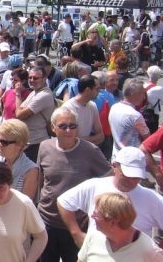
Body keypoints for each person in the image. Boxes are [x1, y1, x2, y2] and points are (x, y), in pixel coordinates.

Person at [37, 107, 111, 262]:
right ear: (53, 128)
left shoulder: (90, 151)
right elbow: (40, 178)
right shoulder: (45, 146)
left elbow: (109, 178)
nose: (68, 130)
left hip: (75, 225)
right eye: (63, 126)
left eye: (73, 126)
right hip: (46, 221)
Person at [57, 146, 163, 247]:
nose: (131, 181)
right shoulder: (95, 186)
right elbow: (64, 201)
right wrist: (77, 234)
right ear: (114, 166)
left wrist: (156, 251)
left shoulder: (152, 199)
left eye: (136, 177)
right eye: (127, 174)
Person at [78, 192, 163, 261]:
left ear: (112, 222)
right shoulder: (93, 235)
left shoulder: (149, 250)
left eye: (96, 215)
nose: (92, 216)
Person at [15, 66, 56, 162]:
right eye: (30, 77)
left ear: (44, 78)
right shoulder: (34, 92)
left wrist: (17, 94)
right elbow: (20, 110)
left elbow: (20, 114)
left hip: (36, 143)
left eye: (36, 78)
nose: (32, 80)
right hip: (27, 141)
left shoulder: (44, 95)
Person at [108, 78, 150, 159]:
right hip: (133, 159)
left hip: (116, 156)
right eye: (142, 93)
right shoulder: (135, 115)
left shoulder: (114, 107)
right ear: (133, 94)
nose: (144, 97)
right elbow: (147, 138)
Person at [62, 74, 105, 145]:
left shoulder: (92, 106)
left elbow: (100, 136)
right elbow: (70, 139)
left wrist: (82, 141)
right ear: (87, 90)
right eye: (97, 89)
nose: (99, 92)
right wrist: (90, 140)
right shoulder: (68, 108)